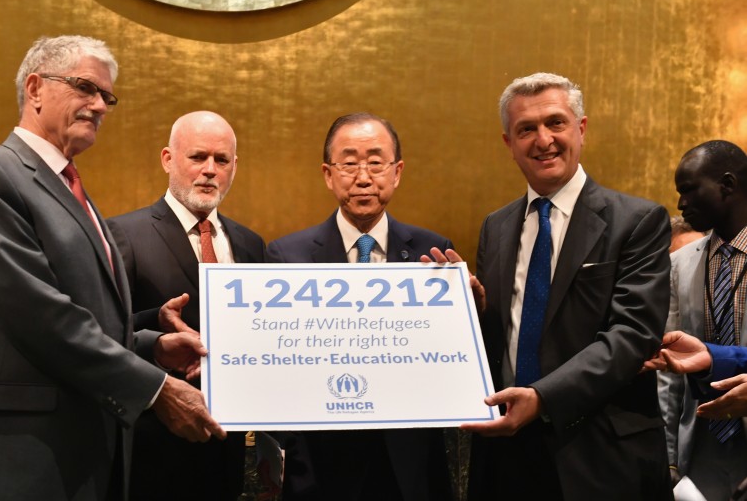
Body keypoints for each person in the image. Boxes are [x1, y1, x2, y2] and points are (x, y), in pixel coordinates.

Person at [0, 35, 224, 501]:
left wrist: (153, 347)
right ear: (34, 88)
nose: (99, 105)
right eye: (85, 88)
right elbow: (38, 315)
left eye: (107, 97)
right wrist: (157, 390)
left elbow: (84, 316)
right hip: (7, 464)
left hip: (71, 460)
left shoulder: (73, 191)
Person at [462, 72, 672, 500]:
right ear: (509, 144)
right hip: (506, 455)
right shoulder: (495, 227)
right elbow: (506, 336)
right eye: (526, 129)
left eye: (555, 123)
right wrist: (469, 310)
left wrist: (542, 398)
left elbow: (633, 335)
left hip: (601, 455)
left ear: (581, 128)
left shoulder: (638, 220)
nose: (543, 140)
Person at [266, 112, 456, 501]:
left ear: (397, 171)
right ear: (328, 174)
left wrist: (470, 311)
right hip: (321, 466)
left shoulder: (432, 253)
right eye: (349, 163)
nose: (363, 176)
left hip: (412, 464)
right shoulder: (287, 257)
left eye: (375, 162)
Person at [107, 110, 266, 500]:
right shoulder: (122, 235)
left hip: (231, 451)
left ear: (234, 167)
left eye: (221, 160)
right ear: (168, 159)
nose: (210, 170)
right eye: (198, 157)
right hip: (153, 447)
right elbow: (98, 333)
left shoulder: (252, 244)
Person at [651, 140, 747, 500]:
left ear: (727, 184)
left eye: (689, 189)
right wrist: (670, 457)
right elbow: (669, 371)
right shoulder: (680, 263)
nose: (680, 204)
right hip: (702, 441)